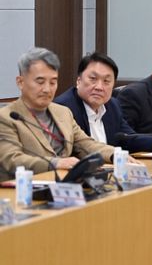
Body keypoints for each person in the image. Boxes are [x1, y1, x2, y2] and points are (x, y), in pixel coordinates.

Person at [0, 47, 116, 181]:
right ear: (20, 82)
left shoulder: (63, 112)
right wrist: (56, 163)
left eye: (53, 82)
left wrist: (115, 155)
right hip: (23, 188)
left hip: (65, 185)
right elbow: (12, 160)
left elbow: (85, 144)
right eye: (40, 82)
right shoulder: (6, 117)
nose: (47, 89)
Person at [54, 52, 152, 153]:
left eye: (106, 81)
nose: (99, 87)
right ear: (78, 81)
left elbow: (129, 138)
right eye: (93, 79)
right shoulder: (63, 108)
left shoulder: (112, 106)